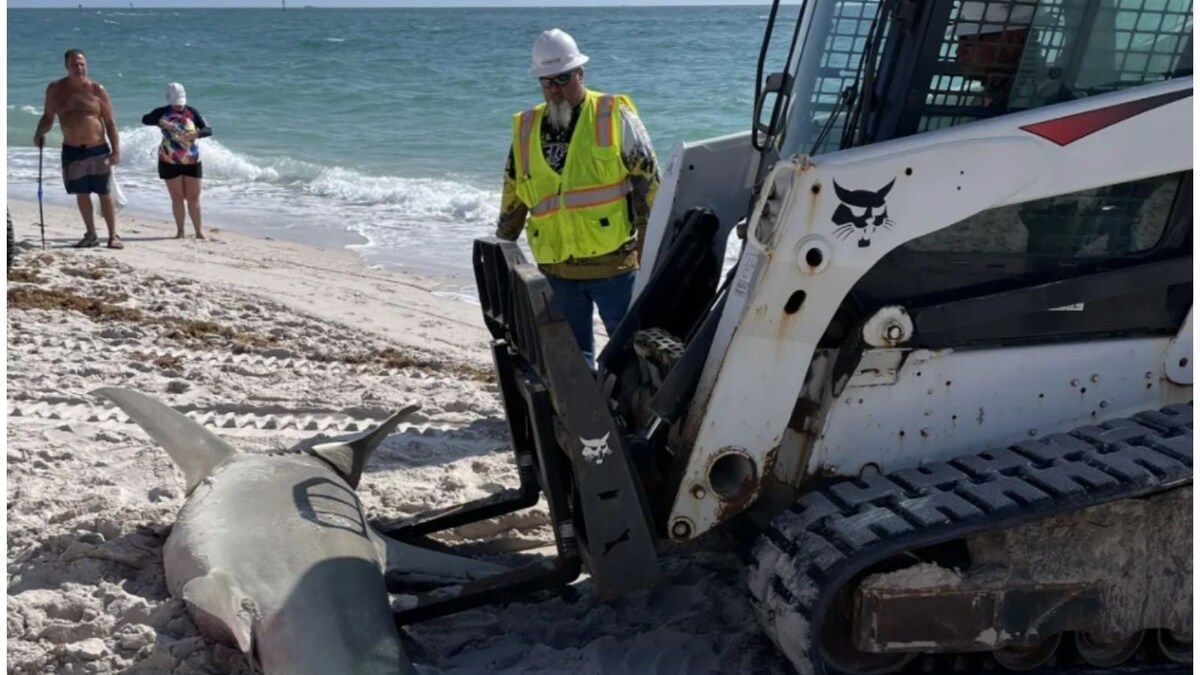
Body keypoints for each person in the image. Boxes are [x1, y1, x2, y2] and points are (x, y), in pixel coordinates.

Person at [496, 28, 660, 367]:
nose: (556, 90)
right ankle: (584, 418)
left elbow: (649, 184)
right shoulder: (526, 128)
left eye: (563, 78)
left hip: (614, 265)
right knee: (571, 359)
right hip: (556, 270)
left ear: (580, 73)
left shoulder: (612, 114)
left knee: (631, 354)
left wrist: (650, 253)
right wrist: (503, 246)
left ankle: (628, 414)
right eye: (547, 82)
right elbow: (514, 192)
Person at [34, 48, 123, 249]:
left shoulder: (96, 89)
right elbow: (48, 117)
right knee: (81, 193)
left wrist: (116, 150)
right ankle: (91, 234)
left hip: (98, 149)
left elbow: (109, 122)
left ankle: (113, 236)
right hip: (72, 149)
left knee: (104, 192)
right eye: (74, 64)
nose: (79, 68)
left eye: (82, 64)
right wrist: (40, 132)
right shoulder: (55, 89)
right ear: (66, 66)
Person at [142, 83, 212, 239]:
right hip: (169, 161)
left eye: (181, 103)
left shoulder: (192, 112)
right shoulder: (162, 112)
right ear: (169, 100)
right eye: (176, 103)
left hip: (192, 161)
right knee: (177, 198)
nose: (179, 106)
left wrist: (195, 135)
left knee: (193, 198)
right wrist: (160, 121)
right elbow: (145, 119)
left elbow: (208, 130)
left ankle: (199, 232)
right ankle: (180, 231)